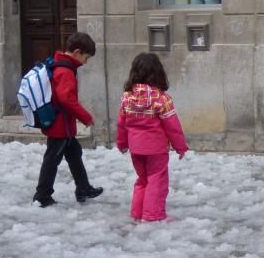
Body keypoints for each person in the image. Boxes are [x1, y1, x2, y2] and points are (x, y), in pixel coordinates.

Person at [31, 31, 104, 207]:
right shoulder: (65, 71)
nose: (86, 62)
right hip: (60, 126)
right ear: (77, 52)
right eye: (86, 57)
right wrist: (85, 117)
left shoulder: (61, 65)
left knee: (74, 154)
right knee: (52, 160)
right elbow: (66, 99)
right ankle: (42, 196)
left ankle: (83, 188)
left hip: (63, 125)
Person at [115, 53, 188, 222]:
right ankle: (152, 215)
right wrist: (180, 146)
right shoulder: (162, 99)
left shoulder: (127, 98)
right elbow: (173, 126)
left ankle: (137, 212)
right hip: (156, 149)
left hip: (136, 148)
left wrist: (121, 143)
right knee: (157, 180)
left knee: (142, 179)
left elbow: (121, 124)